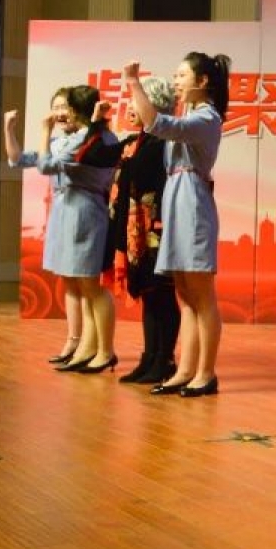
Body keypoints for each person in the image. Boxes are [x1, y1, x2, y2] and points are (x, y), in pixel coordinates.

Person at [123, 52, 229, 398]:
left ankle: (206, 373)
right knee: (185, 294)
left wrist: (134, 82)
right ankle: (185, 370)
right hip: (177, 199)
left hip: (192, 202)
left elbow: (156, 123)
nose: (176, 81)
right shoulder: (190, 116)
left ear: (203, 81)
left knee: (201, 295)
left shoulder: (207, 117)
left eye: (182, 75)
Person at [5, 85, 122, 373]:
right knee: (78, 283)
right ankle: (84, 347)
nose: (60, 113)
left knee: (91, 286)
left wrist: (44, 131)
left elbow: (45, 166)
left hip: (85, 212)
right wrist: (9, 129)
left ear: (78, 110)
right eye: (57, 107)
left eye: (65, 107)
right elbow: (18, 159)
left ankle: (104, 350)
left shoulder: (92, 139)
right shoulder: (69, 139)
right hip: (66, 211)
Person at [110, 76, 182, 386]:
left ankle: (165, 359)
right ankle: (149, 357)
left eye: (137, 101)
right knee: (150, 295)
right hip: (136, 226)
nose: (131, 107)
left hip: (157, 226)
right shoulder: (138, 140)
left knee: (162, 293)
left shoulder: (166, 140)